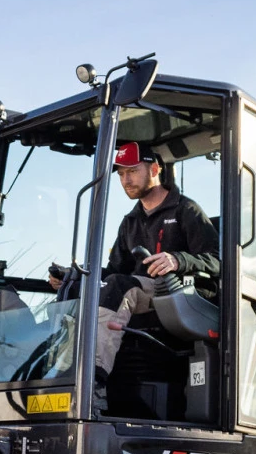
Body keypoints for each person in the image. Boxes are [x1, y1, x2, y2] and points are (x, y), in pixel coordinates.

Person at [94, 142, 219, 411]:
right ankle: (61, 376)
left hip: (181, 294)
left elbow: (217, 261)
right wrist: (78, 275)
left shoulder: (186, 210)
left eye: (132, 172)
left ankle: (92, 382)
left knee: (119, 287)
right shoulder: (130, 221)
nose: (125, 180)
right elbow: (115, 270)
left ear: (154, 169)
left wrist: (177, 260)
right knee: (85, 288)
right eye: (121, 175)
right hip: (141, 294)